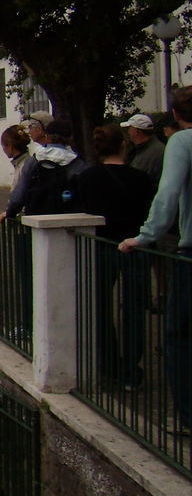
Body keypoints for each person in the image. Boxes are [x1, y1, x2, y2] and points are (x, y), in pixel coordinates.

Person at [120, 86, 192, 431]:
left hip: (189, 252)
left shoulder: (181, 142)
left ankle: (186, 416)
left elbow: (168, 195)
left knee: (178, 333)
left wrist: (145, 236)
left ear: (176, 116)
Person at [75, 123, 156, 386]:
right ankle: (131, 368)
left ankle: (108, 364)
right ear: (124, 145)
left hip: (101, 245)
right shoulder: (142, 179)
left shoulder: (87, 179)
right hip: (135, 246)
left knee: (100, 306)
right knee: (133, 309)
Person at [0, 118, 86, 224]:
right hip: (67, 219)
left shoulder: (35, 159)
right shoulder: (76, 163)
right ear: (69, 138)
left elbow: (19, 193)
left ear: (47, 137)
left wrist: (10, 212)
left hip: (37, 218)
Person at [121, 112, 166, 188]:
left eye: (129, 129)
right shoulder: (142, 149)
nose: (128, 132)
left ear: (136, 132)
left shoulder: (152, 153)